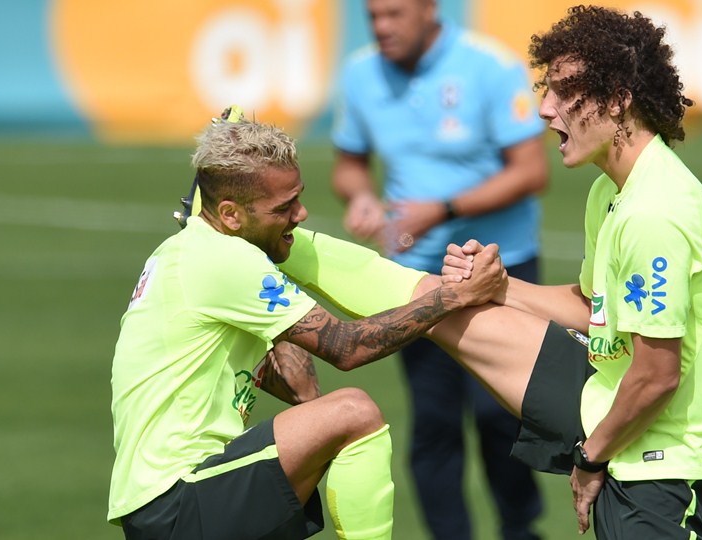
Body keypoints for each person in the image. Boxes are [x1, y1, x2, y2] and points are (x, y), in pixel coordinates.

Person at [423, 6, 702, 538]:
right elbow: (594, 306)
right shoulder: (611, 189)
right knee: (442, 314)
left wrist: (590, 458)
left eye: (563, 91)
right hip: (632, 437)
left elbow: (656, 374)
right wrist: (500, 289)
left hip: (670, 462)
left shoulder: (653, 212)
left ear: (618, 98)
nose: (545, 110)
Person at [108, 109, 508, 540]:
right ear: (230, 214)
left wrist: (279, 295)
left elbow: (303, 394)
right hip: (179, 496)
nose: (300, 214)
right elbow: (347, 348)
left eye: (298, 196)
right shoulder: (224, 260)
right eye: (283, 207)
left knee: (327, 421)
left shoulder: (193, 251)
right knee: (354, 413)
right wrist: (453, 296)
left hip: (180, 496)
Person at [330, 0, 548, 538]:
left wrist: (443, 209)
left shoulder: (489, 67)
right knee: (434, 423)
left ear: (430, 9)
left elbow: (531, 172)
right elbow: (349, 166)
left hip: (502, 269)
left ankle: (521, 528)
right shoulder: (360, 73)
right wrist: (360, 197)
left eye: (394, 14)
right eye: (373, 16)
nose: (382, 27)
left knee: (503, 415)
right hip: (417, 277)